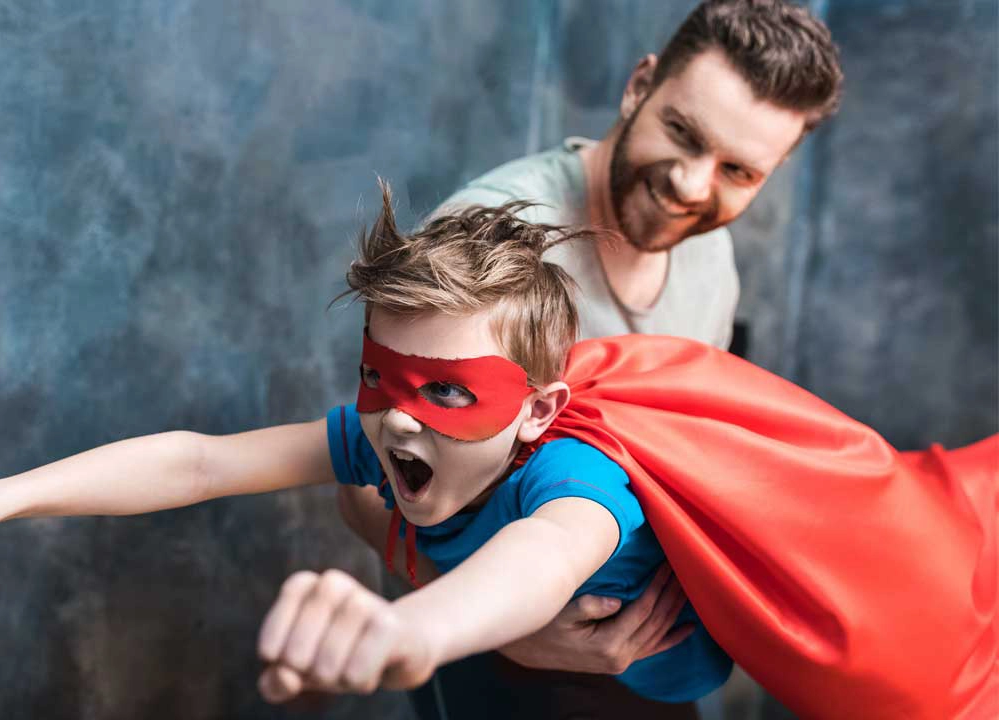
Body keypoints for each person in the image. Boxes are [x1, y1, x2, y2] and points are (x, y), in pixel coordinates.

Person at [0, 194, 996, 719]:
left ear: (540, 407)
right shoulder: (388, 435)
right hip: (465, 676)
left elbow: (541, 567)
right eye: (382, 380)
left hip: (607, 704)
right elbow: (198, 463)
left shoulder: (575, 478)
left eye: (451, 393)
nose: (401, 421)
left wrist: (411, 625)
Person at [336, 2, 843, 714]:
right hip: (491, 654)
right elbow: (361, 479)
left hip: (645, 652)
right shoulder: (488, 236)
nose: (693, 185)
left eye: (738, 170)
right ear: (640, 87)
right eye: (683, 133)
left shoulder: (712, 255)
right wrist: (516, 633)